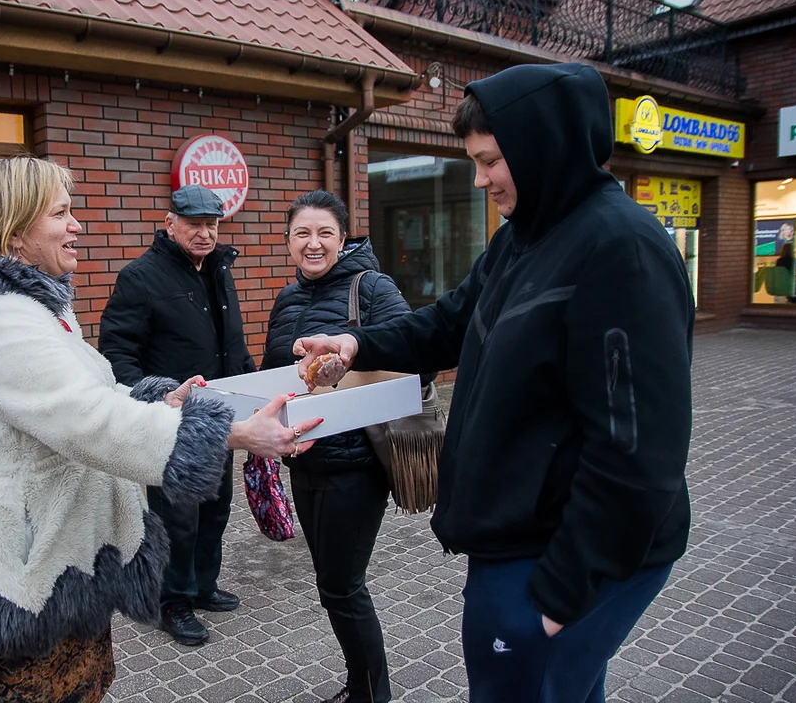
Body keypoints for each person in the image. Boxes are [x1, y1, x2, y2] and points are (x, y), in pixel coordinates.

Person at [294, 63, 695, 703]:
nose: (480, 179)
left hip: (557, 557)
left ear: (546, 149)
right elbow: (449, 321)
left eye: (492, 161)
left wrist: (561, 596)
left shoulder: (623, 249)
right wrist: (356, 342)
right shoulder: (523, 239)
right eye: (474, 161)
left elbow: (639, 448)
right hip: (517, 543)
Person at [0, 157, 316, 702]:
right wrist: (229, 434)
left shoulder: (31, 307)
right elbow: (87, 422)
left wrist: (161, 398)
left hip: (57, 553)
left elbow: (93, 394)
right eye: (61, 213)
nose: (78, 225)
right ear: (15, 230)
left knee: (84, 685)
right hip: (19, 571)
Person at [263, 190, 416, 703]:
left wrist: (350, 362)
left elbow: (417, 359)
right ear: (287, 242)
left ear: (342, 238)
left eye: (325, 233)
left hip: (356, 464)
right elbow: (274, 379)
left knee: (343, 587)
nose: (313, 243)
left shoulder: (370, 288)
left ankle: (372, 694)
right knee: (334, 587)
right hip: (305, 460)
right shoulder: (286, 299)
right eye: (302, 233)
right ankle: (361, 685)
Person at [99, 184, 256, 646]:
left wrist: (249, 387)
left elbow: (233, 344)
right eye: (195, 224)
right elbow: (118, 353)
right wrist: (156, 398)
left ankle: (203, 585)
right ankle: (173, 603)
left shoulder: (219, 269)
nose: (205, 233)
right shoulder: (140, 277)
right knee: (176, 519)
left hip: (219, 414)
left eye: (212, 224)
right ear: (170, 224)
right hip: (172, 422)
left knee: (216, 509)